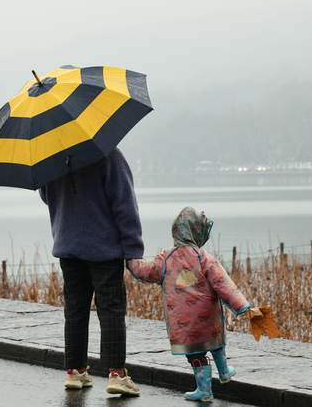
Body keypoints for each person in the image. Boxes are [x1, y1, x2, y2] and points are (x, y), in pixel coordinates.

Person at [127, 207, 262, 403]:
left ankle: (204, 389)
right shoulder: (203, 257)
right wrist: (242, 306)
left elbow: (146, 272)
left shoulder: (166, 258)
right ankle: (224, 371)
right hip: (208, 316)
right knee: (216, 342)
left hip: (184, 322)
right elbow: (223, 284)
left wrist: (131, 261)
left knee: (196, 354)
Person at [39, 148, 142, 395]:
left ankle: (74, 372)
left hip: (68, 246)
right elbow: (124, 204)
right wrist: (133, 249)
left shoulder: (51, 158)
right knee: (111, 310)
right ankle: (117, 374)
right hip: (104, 248)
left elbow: (47, 195)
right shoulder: (108, 155)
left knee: (75, 310)